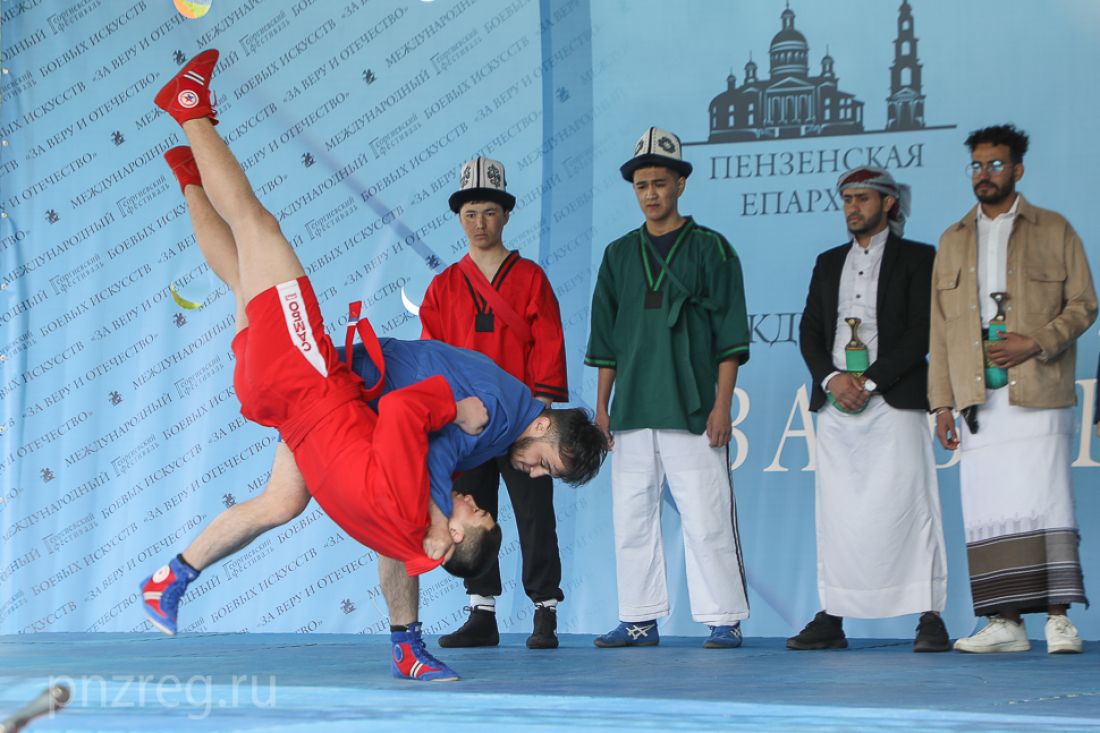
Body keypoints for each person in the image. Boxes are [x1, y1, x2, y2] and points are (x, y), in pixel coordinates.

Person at [138, 50, 606, 681]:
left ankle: (176, 576)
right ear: (544, 427)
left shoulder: (499, 421)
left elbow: (418, 470)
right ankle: (191, 113)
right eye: (544, 463)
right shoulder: (493, 414)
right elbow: (422, 448)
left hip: (320, 401)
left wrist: (430, 524)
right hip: (321, 379)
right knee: (255, 228)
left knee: (283, 494)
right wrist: (432, 525)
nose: (532, 473)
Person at [929, 124, 1097, 654]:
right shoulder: (953, 239)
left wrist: (1035, 343)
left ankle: (1058, 619)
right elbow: (939, 329)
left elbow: (1085, 304)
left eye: (996, 165)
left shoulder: (1054, 228)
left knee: (1047, 498)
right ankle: (1005, 622)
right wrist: (941, 403)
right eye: (977, 166)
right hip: (977, 395)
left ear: (1018, 169)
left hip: (1039, 386)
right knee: (987, 506)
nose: (985, 174)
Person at [585, 127, 751, 649]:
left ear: (681, 184)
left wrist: (722, 406)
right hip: (632, 409)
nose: (651, 193)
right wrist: (602, 410)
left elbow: (730, 339)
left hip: (693, 408)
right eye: (642, 185)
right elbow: (605, 341)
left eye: (660, 182)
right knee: (631, 518)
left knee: (707, 514)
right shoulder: (618, 255)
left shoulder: (712, 249)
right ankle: (638, 617)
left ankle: (724, 617)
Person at [794, 166, 949, 653]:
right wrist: (832, 379)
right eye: (847, 199)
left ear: (888, 203)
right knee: (838, 513)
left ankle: (929, 616)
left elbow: (923, 330)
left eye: (862, 198)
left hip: (896, 398)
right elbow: (810, 330)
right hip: (837, 401)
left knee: (912, 506)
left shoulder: (919, 258)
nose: (853, 208)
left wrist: (872, 380)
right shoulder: (827, 262)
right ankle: (833, 614)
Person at [420, 157, 569, 650]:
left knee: (534, 513)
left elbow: (548, 344)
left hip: (522, 421)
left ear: (506, 215)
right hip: (467, 424)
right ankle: (481, 610)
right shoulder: (443, 286)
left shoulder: (529, 278)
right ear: (458, 218)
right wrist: (447, 413)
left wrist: (540, 411)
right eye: (470, 213)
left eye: (488, 212)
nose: (479, 223)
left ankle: (545, 609)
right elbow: (431, 356)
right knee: (471, 513)